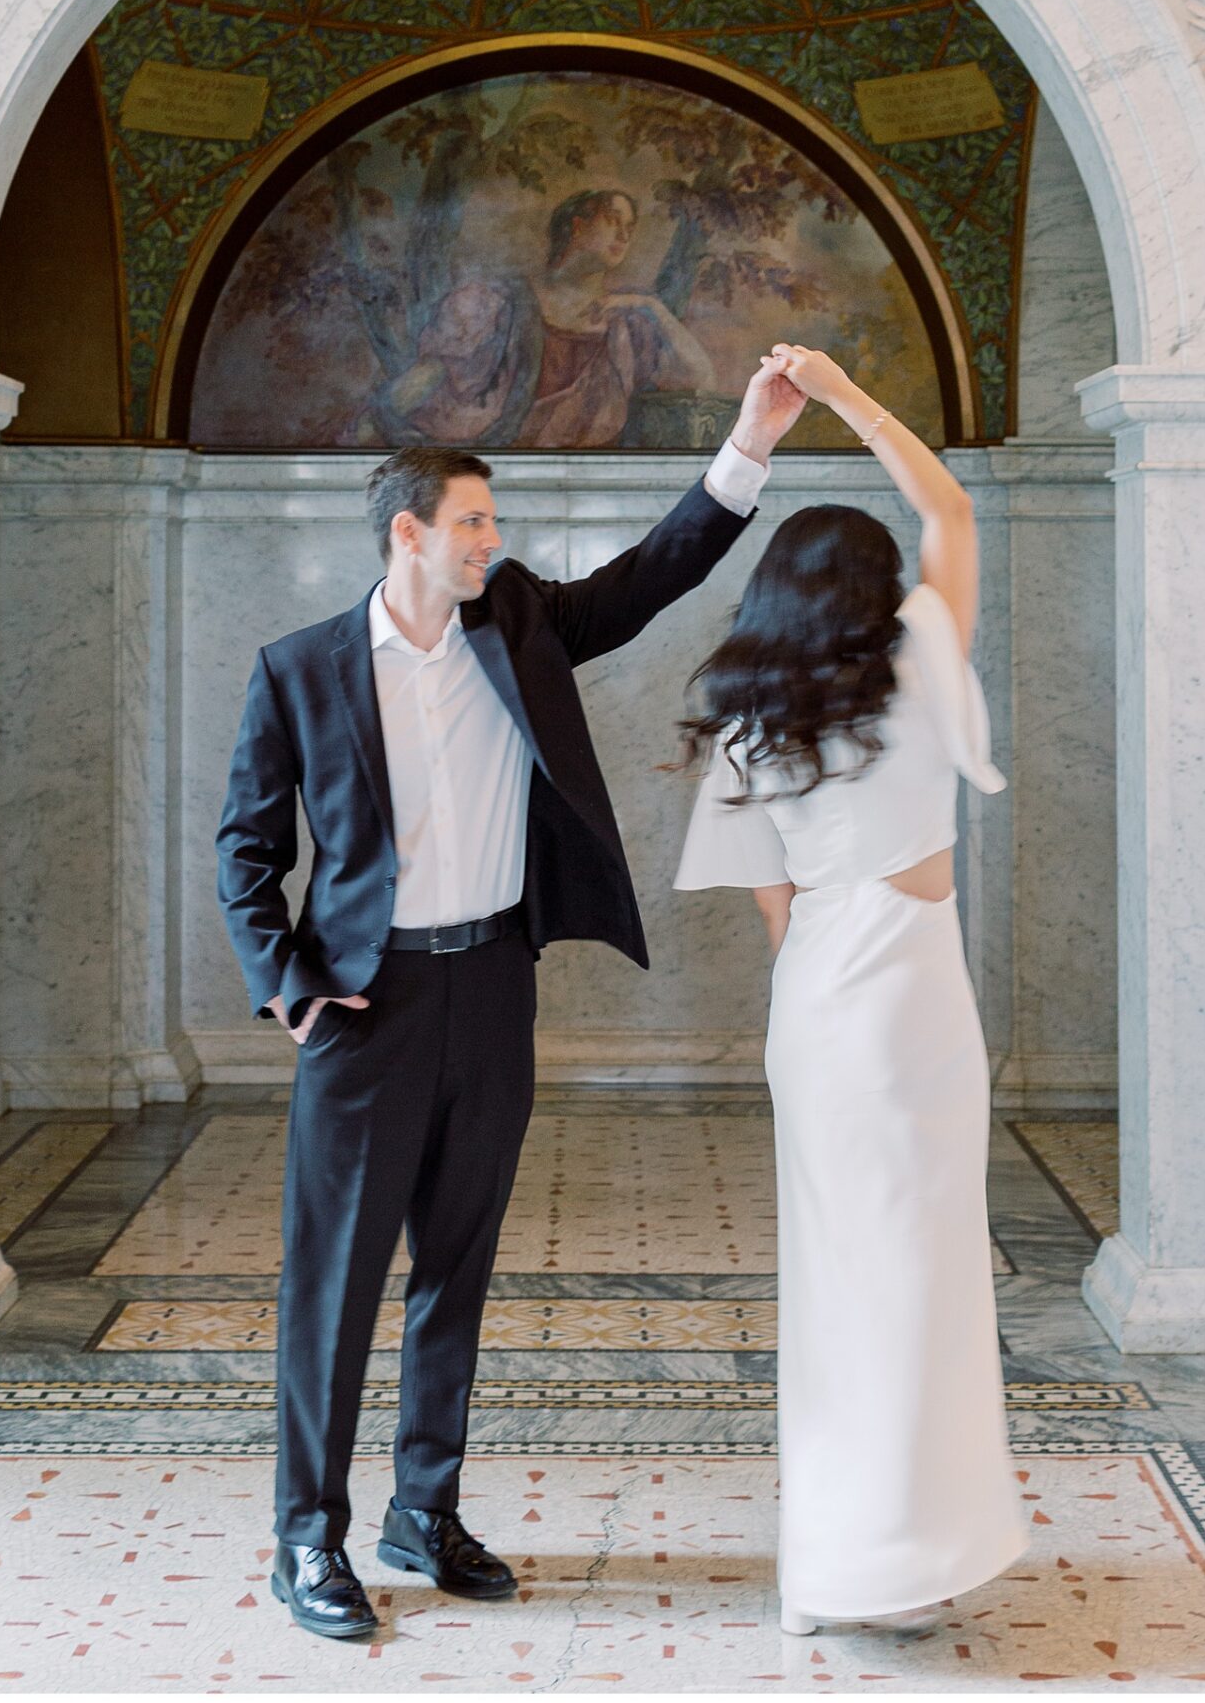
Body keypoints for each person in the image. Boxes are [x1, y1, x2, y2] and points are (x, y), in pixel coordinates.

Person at [215, 355, 805, 1641]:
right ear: (407, 533)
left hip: (491, 982)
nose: (496, 538)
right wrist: (291, 988)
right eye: (475, 521)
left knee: (459, 1269)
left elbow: (651, 577)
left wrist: (746, 440)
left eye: (495, 522)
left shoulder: (520, 620)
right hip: (362, 1016)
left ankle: (422, 1511)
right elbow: (245, 851)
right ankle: (304, 1537)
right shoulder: (301, 671)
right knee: (335, 1283)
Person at [674, 344, 1025, 1636]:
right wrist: (839, 393)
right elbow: (952, 509)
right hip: (914, 1003)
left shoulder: (750, 713)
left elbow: (777, 910)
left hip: (816, 1005)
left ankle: (827, 1573)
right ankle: (913, 1561)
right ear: (878, 592)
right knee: (921, 1279)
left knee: (830, 1283)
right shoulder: (922, 656)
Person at [518, 188, 715, 447]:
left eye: (629, 228)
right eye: (612, 221)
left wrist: (651, 306)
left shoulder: (627, 321)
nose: (623, 236)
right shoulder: (513, 304)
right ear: (577, 226)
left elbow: (701, 379)